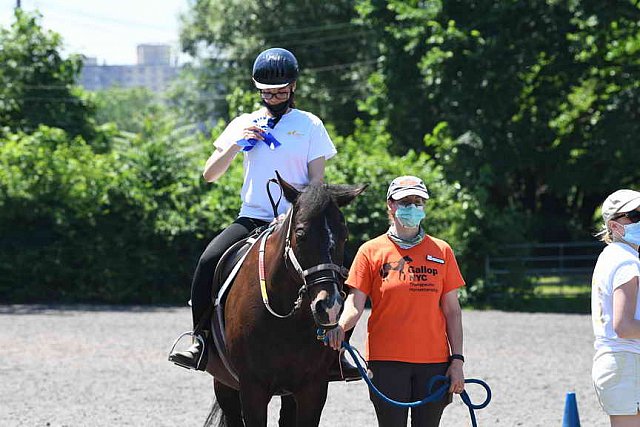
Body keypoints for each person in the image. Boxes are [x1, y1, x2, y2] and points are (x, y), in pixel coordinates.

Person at [169, 47, 338, 370]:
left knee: (334, 265)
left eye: (280, 92)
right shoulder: (244, 122)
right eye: (267, 92)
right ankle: (200, 340)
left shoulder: (309, 125)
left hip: (296, 219)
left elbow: (317, 181)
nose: (273, 97)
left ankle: (335, 347)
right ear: (257, 89)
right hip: (253, 216)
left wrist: (295, 213)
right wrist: (236, 143)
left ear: (293, 88)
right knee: (207, 261)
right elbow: (210, 174)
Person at [325, 175, 466, 427]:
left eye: (417, 201)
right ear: (390, 205)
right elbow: (355, 305)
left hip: (434, 363)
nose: (412, 206)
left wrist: (457, 361)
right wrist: (339, 327)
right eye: (404, 201)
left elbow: (453, 312)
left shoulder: (442, 251)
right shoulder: (370, 251)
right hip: (386, 363)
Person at [591, 189, 640, 426]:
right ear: (614, 225)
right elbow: (624, 325)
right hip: (626, 364)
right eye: (635, 216)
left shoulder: (612, 255)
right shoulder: (626, 261)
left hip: (620, 365)